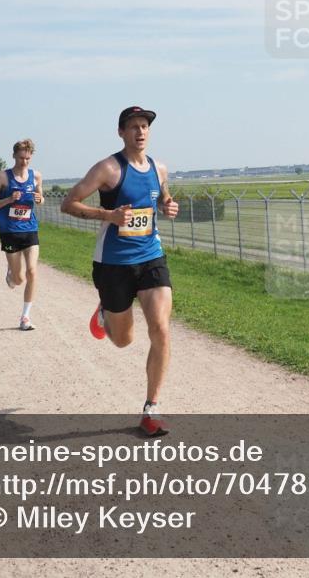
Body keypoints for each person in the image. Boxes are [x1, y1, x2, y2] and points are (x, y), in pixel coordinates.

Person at [60, 106, 179, 436]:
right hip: (113, 264)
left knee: (161, 329)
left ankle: (151, 409)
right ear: (121, 132)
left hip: (151, 257)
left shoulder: (160, 168)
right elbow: (68, 203)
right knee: (123, 340)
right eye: (133, 127)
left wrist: (167, 206)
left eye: (145, 126)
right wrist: (107, 215)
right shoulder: (108, 169)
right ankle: (105, 314)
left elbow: (161, 199)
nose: (140, 132)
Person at [0, 139, 44, 331]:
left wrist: (40, 198)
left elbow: (40, 197)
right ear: (14, 156)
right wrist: (8, 199)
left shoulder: (36, 176)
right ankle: (11, 274)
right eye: (21, 158)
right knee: (19, 279)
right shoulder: (2, 177)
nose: (24, 162)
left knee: (32, 272)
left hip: (30, 229)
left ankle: (25, 317)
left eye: (28, 158)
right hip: (9, 232)